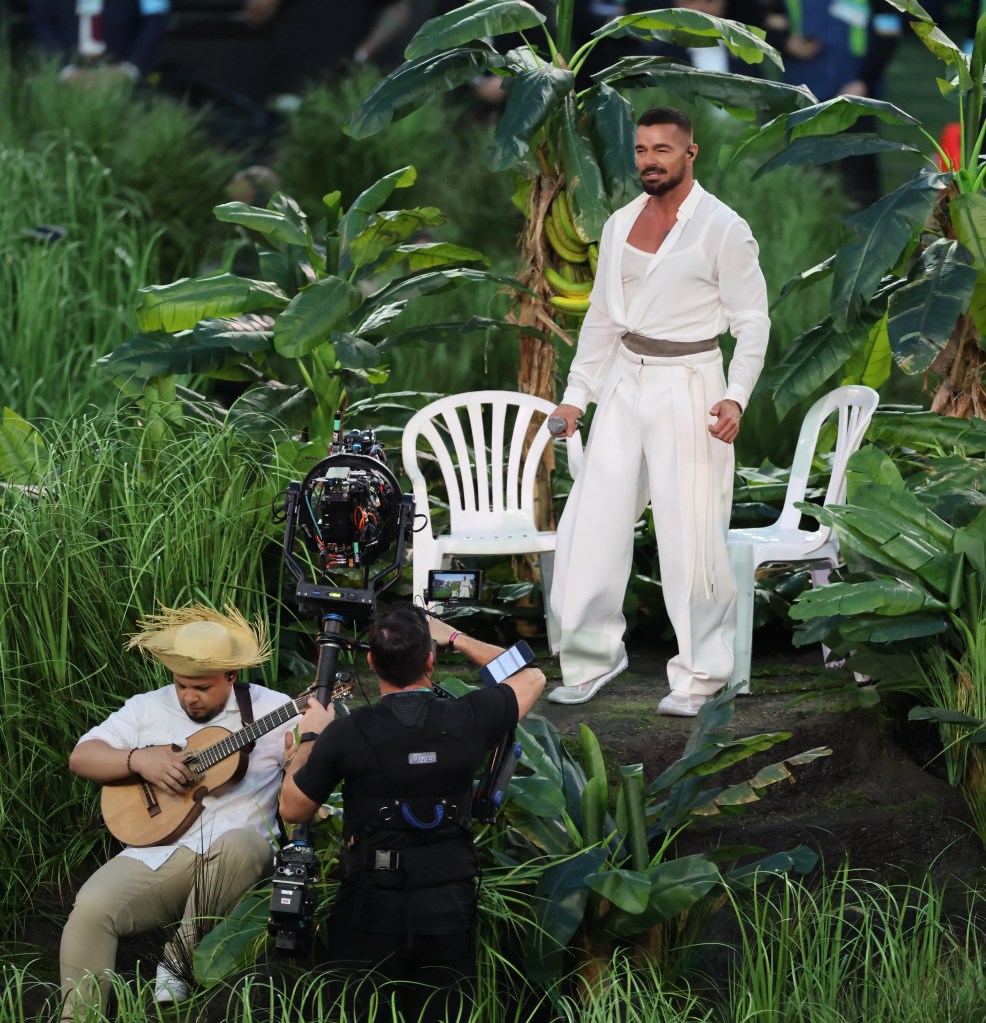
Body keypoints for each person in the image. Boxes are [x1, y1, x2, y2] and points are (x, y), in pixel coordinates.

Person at [546, 106, 770, 714]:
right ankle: (592, 659)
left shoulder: (724, 228)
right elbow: (601, 319)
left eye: (663, 150)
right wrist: (576, 395)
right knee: (591, 526)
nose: (649, 160)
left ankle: (701, 674)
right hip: (623, 381)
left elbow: (752, 322)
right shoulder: (619, 223)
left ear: (690, 154)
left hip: (691, 385)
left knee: (690, 536)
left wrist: (737, 396)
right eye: (642, 149)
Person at [279, 604, 545, 1021]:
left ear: (370, 661)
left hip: (370, 904)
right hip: (448, 902)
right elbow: (531, 675)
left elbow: (294, 809)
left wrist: (311, 737)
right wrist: (455, 636)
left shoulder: (347, 733)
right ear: (430, 659)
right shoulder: (469, 716)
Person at [59, 604, 294, 1018]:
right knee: (92, 908)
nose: (189, 696)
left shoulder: (275, 710)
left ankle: (178, 961)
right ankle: (79, 1015)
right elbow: (83, 757)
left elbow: (308, 781)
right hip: (157, 851)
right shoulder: (145, 707)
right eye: (182, 684)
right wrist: (137, 759)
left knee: (242, 843)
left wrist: (311, 741)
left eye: (202, 687)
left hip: (237, 856)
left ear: (231, 675)